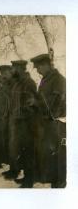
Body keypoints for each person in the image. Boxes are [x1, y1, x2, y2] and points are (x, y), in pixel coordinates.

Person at [31, 53, 66, 188]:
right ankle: (53, 181)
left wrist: (36, 103)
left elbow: (56, 104)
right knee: (49, 157)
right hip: (47, 123)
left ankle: (59, 185)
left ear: (46, 65)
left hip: (57, 124)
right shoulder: (46, 80)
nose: (37, 71)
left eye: (38, 67)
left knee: (58, 157)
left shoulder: (58, 80)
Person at [4, 60, 38, 188]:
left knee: (27, 150)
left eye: (14, 68)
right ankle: (22, 174)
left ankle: (29, 179)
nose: (12, 71)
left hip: (26, 122)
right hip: (17, 120)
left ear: (20, 69)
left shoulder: (28, 83)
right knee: (19, 150)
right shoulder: (17, 83)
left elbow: (31, 102)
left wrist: (23, 114)